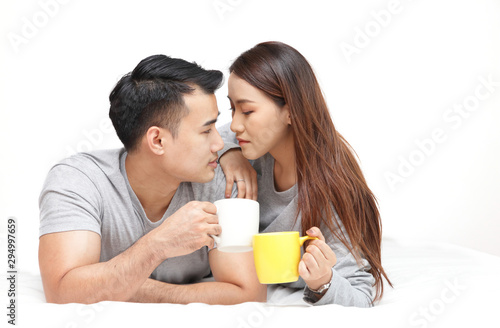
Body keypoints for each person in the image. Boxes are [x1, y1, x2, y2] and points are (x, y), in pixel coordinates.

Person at [38, 54, 266, 304]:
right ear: (157, 141)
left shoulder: (222, 182)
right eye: (206, 130)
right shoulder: (78, 180)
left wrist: (127, 287)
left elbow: (247, 294)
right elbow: (62, 292)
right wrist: (159, 244)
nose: (220, 144)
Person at [218, 41, 392, 307]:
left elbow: (360, 296)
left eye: (247, 111)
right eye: (232, 109)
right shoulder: (249, 144)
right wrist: (227, 154)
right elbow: (205, 134)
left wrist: (323, 281)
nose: (235, 124)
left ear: (289, 111)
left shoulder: (332, 187)